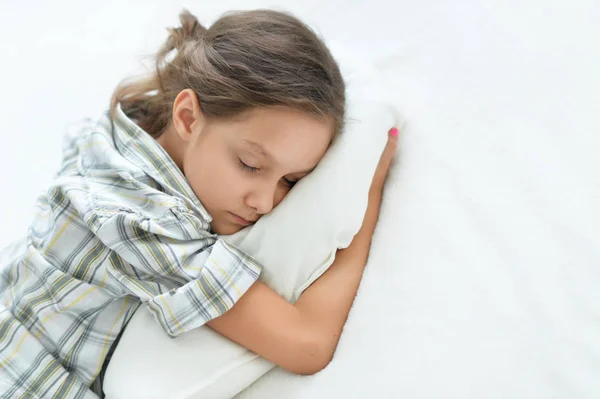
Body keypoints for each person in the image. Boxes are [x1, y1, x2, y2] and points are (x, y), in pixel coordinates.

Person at [0, 9, 398, 399]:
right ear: (188, 117)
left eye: (290, 181)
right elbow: (307, 344)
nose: (264, 201)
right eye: (250, 164)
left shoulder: (118, 135)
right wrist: (369, 193)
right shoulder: (139, 222)